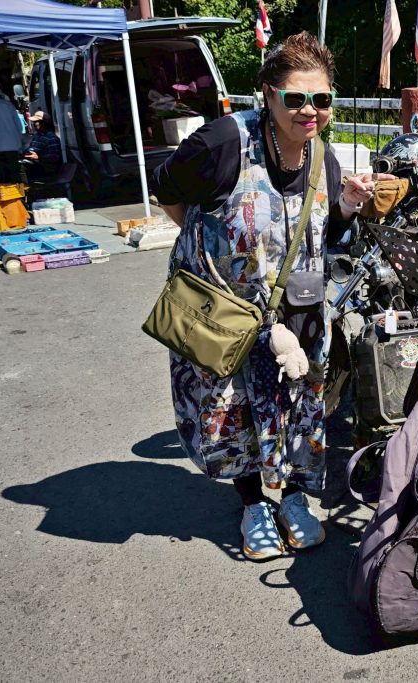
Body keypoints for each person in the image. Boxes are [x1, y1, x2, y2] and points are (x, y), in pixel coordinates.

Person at [151, 32, 380, 562]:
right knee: (231, 409)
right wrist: (206, 242)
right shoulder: (223, 142)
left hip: (298, 313)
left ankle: (295, 497)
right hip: (227, 314)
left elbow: (326, 238)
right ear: (269, 95)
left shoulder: (323, 157)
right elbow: (167, 189)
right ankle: (253, 503)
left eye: (321, 99)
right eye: (296, 98)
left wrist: (346, 205)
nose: (310, 110)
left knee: (303, 403)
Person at [22, 111, 62, 180]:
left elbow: (54, 157)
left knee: (21, 168)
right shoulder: (37, 136)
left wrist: (38, 157)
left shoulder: (51, 138)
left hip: (44, 167)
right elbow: (31, 149)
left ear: (43, 123)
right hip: (33, 163)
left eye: (36, 122)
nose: (34, 124)